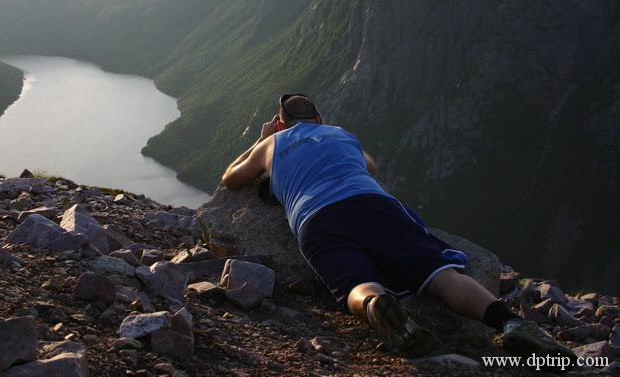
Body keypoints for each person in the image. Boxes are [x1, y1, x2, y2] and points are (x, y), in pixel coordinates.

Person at [221, 94, 577, 360]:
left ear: (281, 123)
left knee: (358, 284)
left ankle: (379, 307)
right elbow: (370, 167)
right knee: (441, 274)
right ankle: (510, 324)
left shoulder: (271, 143)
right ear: (318, 117)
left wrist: (261, 141)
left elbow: (231, 179)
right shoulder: (340, 133)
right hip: (372, 204)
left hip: (316, 219)